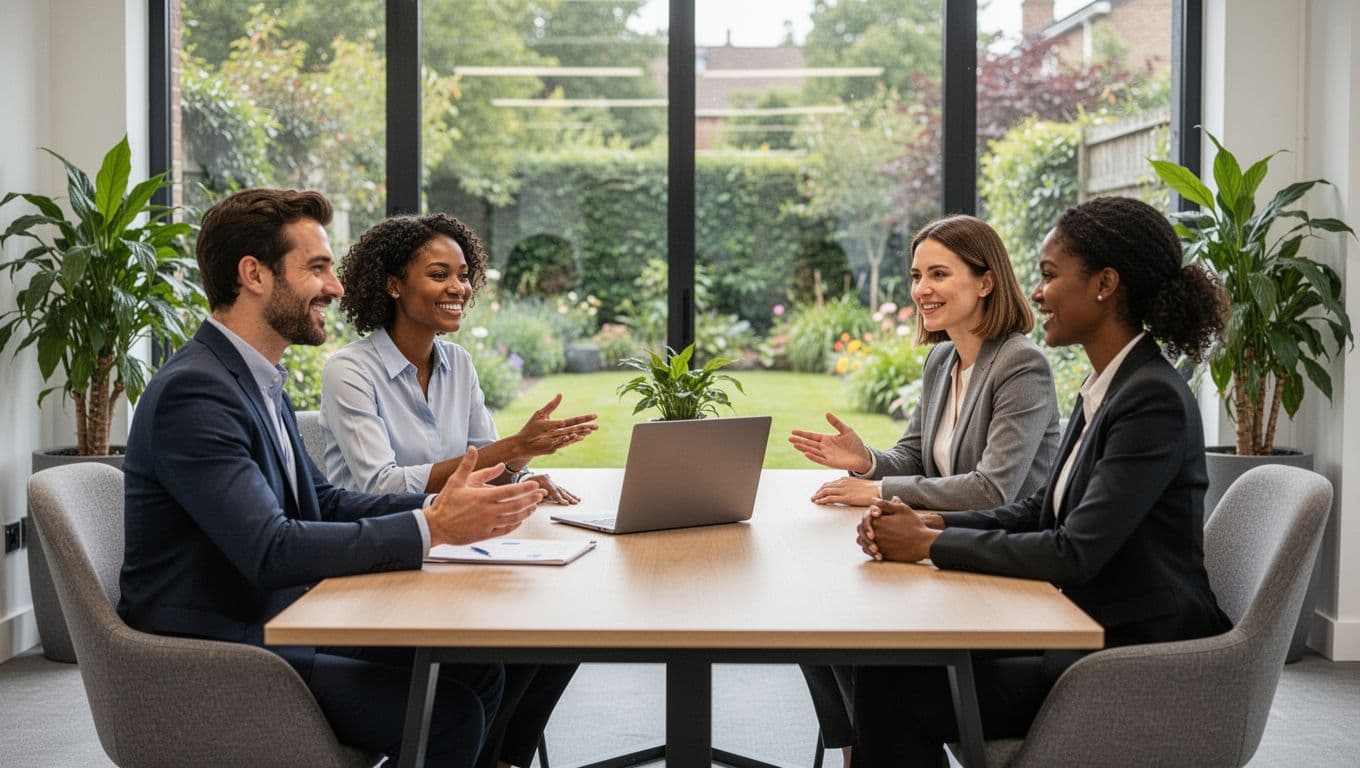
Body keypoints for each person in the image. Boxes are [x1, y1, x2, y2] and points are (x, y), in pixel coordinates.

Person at [118, 188, 547, 768]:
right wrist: (430, 528)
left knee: (478, 669)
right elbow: (270, 548)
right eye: (317, 267)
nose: (337, 286)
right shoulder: (195, 393)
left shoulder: (253, 378)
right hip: (226, 648)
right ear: (254, 275)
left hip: (283, 617)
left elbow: (318, 500)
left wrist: (442, 512)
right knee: (453, 711)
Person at [850, 196, 1234, 766]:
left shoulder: (1151, 399)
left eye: (1050, 276)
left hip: (1127, 653)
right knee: (890, 661)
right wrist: (935, 520)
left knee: (894, 686)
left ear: (1104, 284)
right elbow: (1039, 507)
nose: (1035, 292)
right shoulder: (1112, 384)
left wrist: (930, 544)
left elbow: (1074, 552)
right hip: (1082, 621)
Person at [321, 213, 596, 768]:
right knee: (498, 652)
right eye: (439, 274)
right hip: (378, 563)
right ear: (394, 284)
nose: (458, 288)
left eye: (464, 275)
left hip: (453, 553)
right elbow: (382, 485)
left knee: (565, 632)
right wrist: (510, 449)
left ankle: (498, 759)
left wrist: (524, 467)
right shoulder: (349, 371)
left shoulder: (459, 364)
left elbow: (485, 458)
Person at [787, 215, 1061, 765]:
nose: (921, 290)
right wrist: (866, 461)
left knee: (856, 638)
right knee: (815, 621)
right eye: (916, 275)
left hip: (1004, 576)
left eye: (939, 273)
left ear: (986, 281)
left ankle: (873, 751)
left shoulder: (1020, 365)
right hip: (947, 553)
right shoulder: (943, 359)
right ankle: (857, 751)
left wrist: (880, 489)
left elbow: (993, 489)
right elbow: (915, 456)